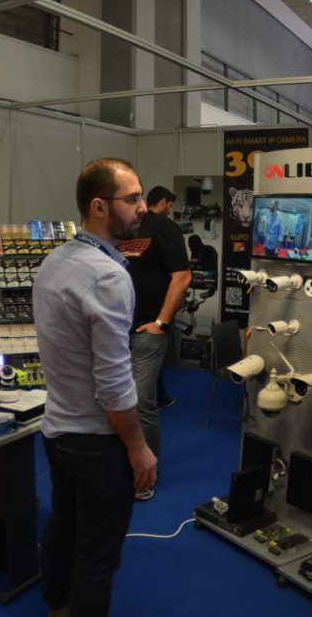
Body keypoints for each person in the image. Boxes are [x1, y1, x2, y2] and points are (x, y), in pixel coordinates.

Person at [33, 158, 158, 617]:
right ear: (99, 206)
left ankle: (56, 605)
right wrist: (138, 448)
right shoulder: (107, 276)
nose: (143, 207)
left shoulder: (56, 260)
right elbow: (113, 382)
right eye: (133, 199)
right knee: (98, 555)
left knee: (64, 525)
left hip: (57, 429)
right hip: (96, 441)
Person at [124, 186, 191, 501]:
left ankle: (145, 474)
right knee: (110, 400)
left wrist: (161, 323)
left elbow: (182, 277)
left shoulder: (164, 228)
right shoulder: (118, 228)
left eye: (134, 197)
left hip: (147, 329)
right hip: (113, 330)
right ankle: (121, 463)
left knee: (141, 401)